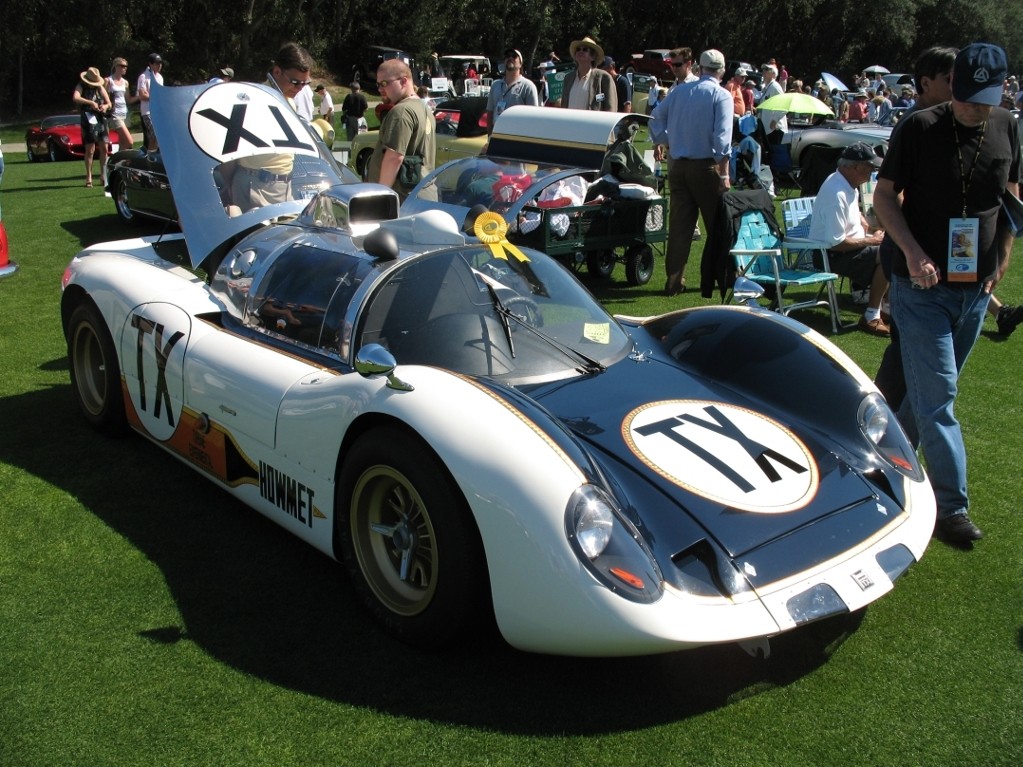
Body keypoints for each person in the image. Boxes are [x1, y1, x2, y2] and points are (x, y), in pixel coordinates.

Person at [873, 43, 1020, 544]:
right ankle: (951, 507)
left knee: (924, 394)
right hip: (921, 286)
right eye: (963, 96)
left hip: (975, 289)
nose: (970, 108)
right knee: (940, 399)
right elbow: (883, 197)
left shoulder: (1006, 126)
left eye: (981, 100)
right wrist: (912, 252)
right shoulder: (917, 127)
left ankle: (882, 469)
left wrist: (1003, 255)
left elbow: (1011, 197)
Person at [650, 48, 733, 296]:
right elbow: (722, 138)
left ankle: (674, 282)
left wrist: (669, 140)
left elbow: (654, 119)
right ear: (722, 70)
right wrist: (725, 174)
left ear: (699, 66)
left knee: (679, 228)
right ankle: (724, 277)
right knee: (718, 225)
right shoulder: (721, 95)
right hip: (706, 166)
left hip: (678, 165)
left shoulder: (679, 92)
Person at [808, 142, 890, 335]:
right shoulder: (837, 193)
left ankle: (884, 308)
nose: (872, 172)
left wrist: (860, 217)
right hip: (830, 256)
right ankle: (872, 315)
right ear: (854, 167)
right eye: (869, 167)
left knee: (892, 248)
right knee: (888, 253)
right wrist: (872, 240)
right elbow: (836, 243)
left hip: (843, 250)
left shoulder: (846, 184)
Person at [230, 42, 314, 212]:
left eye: (305, 83)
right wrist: (232, 185)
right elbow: (229, 149)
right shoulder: (250, 99)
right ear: (276, 72)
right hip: (255, 186)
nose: (299, 88)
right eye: (295, 82)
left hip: (285, 186)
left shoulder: (289, 100)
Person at [366, 58, 436, 201]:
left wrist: (380, 197)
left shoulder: (402, 111)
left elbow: (394, 158)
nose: (380, 89)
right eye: (378, 84)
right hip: (422, 196)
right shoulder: (424, 108)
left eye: (384, 83)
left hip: (402, 202)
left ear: (404, 81)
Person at [72, 66, 112, 188]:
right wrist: (91, 103)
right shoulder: (81, 86)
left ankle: (103, 175)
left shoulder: (100, 87)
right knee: (90, 149)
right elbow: (76, 97)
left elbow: (109, 103)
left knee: (104, 148)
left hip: (101, 118)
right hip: (88, 118)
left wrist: (105, 107)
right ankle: (88, 176)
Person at [486, 49, 539, 133]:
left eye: (514, 56)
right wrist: (489, 136)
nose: (510, 58)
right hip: (497, 134)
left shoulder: (528, 86)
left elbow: (534, 117)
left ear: (520, 64)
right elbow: (490, 112)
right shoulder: (495, 85)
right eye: (507, 56)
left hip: (517, 136)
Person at [559, 36, 617, 111]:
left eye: (585, 49)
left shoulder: (604, 78)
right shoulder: (568, 78)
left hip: (593, 122)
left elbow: (611, 108)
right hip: (571, 122)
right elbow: (564, 106)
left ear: (593, 57)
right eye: (578, 49)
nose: (580, 51)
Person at [104, 57, 138, 151]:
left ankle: (119, 164)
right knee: (129, 142)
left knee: (122, 143)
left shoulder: (125, 82)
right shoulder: (108, 81)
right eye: (122, 66)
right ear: (116, 66)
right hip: (115, 114)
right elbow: (103, 97)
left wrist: (140, 97)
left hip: (125, 113)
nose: (125, 68)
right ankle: (117, 161)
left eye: (126, 66)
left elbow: (128, 100)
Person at [136, 53, 164, 151]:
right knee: (156, 134)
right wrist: (156, 96)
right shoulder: (143, 77)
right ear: (150, 64)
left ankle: (150, 157)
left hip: (158, 111)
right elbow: (142, 95)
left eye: (160, 63)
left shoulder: (160, 77)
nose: (159, 65)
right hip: (147, 112)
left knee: (153, 138)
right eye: (156, 63)